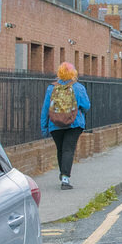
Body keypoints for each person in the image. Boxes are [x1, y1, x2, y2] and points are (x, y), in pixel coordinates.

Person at [40, 61, 91, 190]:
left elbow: (46, 109)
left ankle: (63, 172)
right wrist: (79, 112)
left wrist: (44, 127)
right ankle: (65, 178)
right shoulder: (78, 87)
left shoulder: (51, 88)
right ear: (73, 73)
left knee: (61, 149)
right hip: (74, 124)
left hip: (55, 124)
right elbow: (86, 106)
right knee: (68, 149)